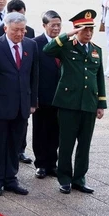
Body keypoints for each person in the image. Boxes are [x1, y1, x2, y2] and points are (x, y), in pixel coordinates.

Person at [43, 9, 106, 195]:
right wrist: (67, 35)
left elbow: (99, 78)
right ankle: (64, 179)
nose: (88, 33)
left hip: (89, 104)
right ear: (76, 30)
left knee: (84, 145)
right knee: (66, 144)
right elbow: (47, 50)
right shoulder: (66, 47)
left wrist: (101, 104)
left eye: (91, 30)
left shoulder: (96, 50)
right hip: (68, 104)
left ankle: (79, 178)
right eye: (85, 30)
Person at [0, 12, 38, 197]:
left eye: (23, 30)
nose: (19, 34)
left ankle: (11, 178)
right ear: (5, 28)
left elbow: (34, 76)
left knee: (15, 144)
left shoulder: (30, 45)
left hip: (22, 105)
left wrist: (32, 102)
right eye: (15, 30)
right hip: (0, 106)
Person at [33, 11, 63, 179]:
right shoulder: (35, 44)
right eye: (53, 25)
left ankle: (52, 164)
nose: (56, 28)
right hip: (42, 97)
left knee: (56, 131)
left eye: (59, 25)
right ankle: (41, 164)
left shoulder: (64, 43)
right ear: (44, 25)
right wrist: (33, 97)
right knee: (41, 131)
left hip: (60, 97)